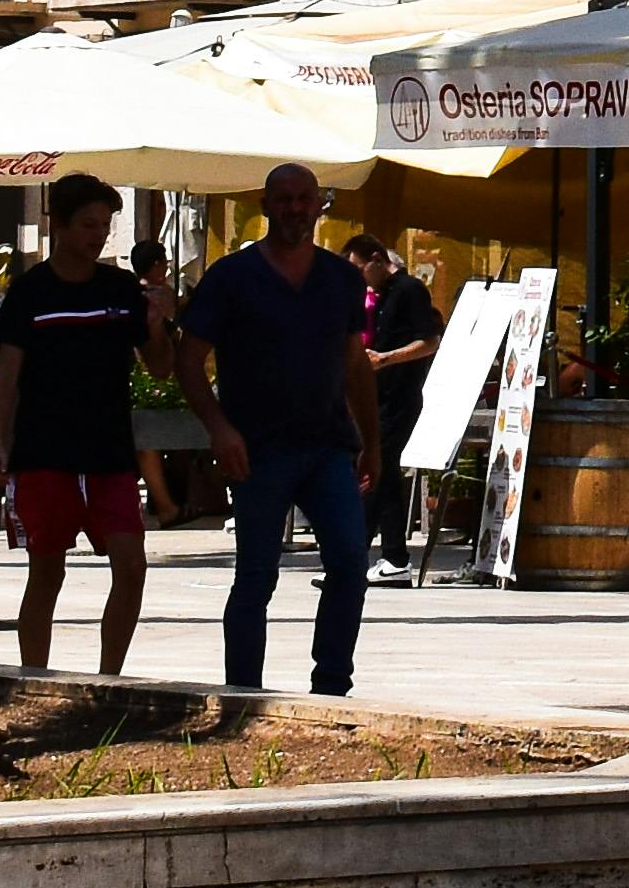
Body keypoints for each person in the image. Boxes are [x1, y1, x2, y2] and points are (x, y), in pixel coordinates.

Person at [175, 164, 382, 697]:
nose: (294, 208)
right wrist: (219, 429)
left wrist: (372, 442)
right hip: (258, 448)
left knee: (349, 561)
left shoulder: (341, 279)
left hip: (328, 444)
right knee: (256, 576)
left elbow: (354, 362)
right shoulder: (231, 277)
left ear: (319, 205)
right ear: (265, 206)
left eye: (303, 199)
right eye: (283, 199)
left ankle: (332, 686)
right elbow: (189, 360)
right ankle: (244, 693)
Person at [0, 174, 158, 678]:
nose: (97, 235)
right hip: (44, 452)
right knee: (47, 572)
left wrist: (163, 321)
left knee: (132, 566)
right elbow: (7, 377)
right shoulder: (31, 291)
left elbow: (159, 364)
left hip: (110, 452)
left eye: (105, 224)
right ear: (60, 224)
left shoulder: (121, 289)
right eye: (87, 224)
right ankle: (34, 677)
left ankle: (110, 679)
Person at [347, 231, 442, 580]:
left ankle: (359, 556)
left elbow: (429, 341)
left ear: (375, 258)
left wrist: (386, 359)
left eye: (359, 269)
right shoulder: (381, 295)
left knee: (376, 470)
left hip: (400, 396)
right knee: (381, 474)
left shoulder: (409, 290)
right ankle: (392, 558)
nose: (359, 277)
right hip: (377, 397)